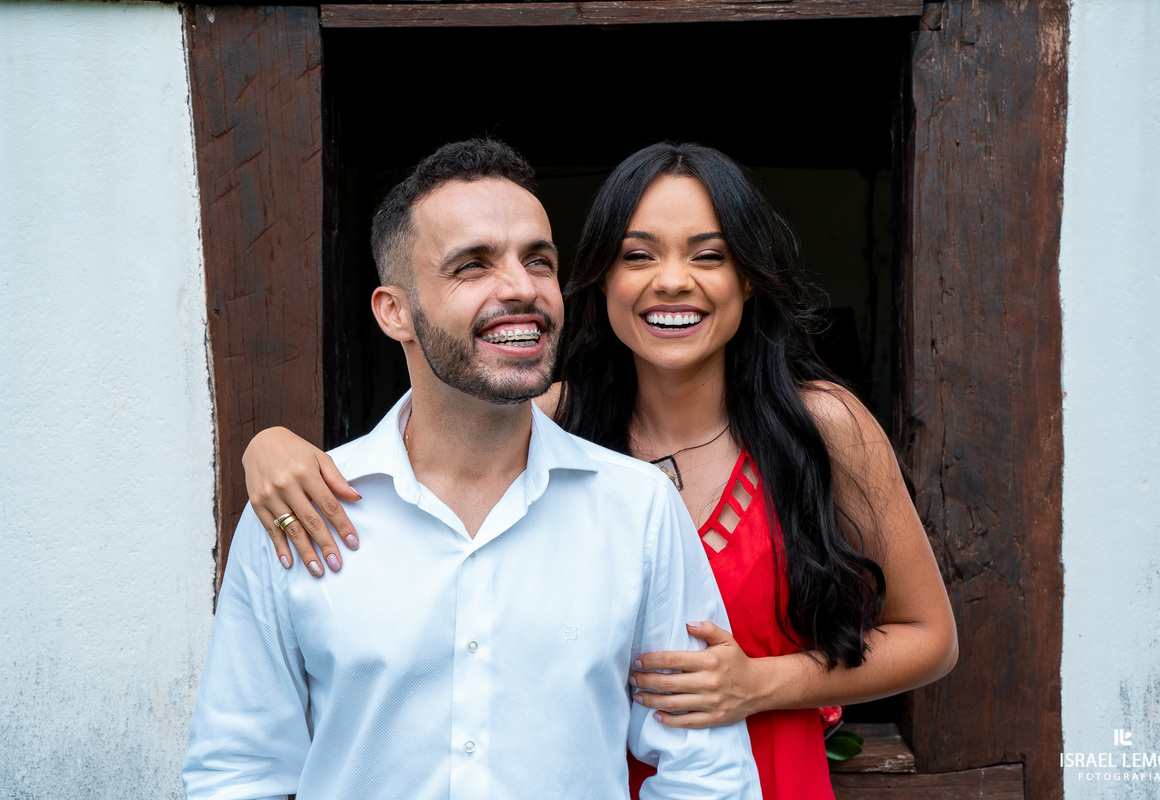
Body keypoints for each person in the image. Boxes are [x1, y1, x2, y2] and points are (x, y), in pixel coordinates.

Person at [243, 142, 958, 799]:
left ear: (746, 281)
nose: (672, 282)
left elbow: (930, 637)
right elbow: (428, 433)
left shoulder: (821, 424)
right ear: (602, 280)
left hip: (755, 768)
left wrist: (762, 683)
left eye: (708, 256)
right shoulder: (552, 416)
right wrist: (267, 445)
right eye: (638, 256)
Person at [183, 139, 761, 800]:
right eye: (472, 266)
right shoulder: (297, 511)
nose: (521, 288)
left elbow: (705, 772)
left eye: (538, 261)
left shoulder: (640, 509)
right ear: (395, 312)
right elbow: (237, 772)